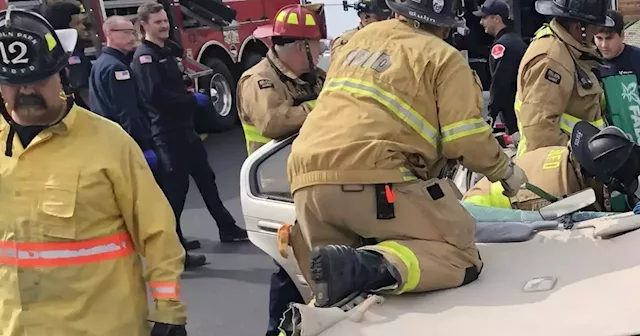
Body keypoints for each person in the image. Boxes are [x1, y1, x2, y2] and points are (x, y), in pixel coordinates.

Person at [285, 0, 528, 308]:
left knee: (342, 297)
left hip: (304, 179)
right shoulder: (443, 57)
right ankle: (368, 265)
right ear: (446, 23)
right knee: (459, 256)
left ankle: (348, 278)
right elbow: (464, 139)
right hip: (376, 177)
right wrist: (505, 172)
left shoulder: (355, 41)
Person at [0, 8, 187, 336]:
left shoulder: (109, 143)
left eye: (38, 79)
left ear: (63, 75)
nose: (26, 91)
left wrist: (168, 311)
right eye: (13, 83)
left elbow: (157, 234)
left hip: (102, 327)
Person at [132, 2, 247, 269]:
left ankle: (227, 228)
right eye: (158, 22)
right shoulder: (145, 57)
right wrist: (189, 100)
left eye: (164, 21)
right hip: (168, 134)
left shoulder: (164, 52)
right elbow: (154, 96)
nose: (164, 25)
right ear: (144, 26)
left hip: (186, 131)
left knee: (207, 180)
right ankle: (173, 248)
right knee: (176, 193)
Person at [237, 4, 326, 334]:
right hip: (278, 187)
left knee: (319, 264)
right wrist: (320, 108)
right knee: (290, 269)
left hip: (314, 180)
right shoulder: (260, 80)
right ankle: (277, 330)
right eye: (315, 44)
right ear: (300, 47)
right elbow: (273, 122)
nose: (319, 51)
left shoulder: (311, 76)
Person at [513, 0, 613, 157]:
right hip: (554, 170)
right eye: (595, 27)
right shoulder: (553, 59)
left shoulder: (569, 50)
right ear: (578, 27)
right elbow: (540, 130)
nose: (597, 32)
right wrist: (575, 165)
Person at [89, 16, 156, 169]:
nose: (132, 38)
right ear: (109, 33)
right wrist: (143, 145)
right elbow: (127, 112)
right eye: (126, 33)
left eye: (133, 33)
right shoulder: (117, 68)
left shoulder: (102, 62)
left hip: (111, 141)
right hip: (127, 144)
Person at [473, 0, 526, 135]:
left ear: (497, 19)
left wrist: (491, 114)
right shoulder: (515, 40)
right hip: (523, 113)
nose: (481, 22)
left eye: (484, 18)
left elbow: (500, 84)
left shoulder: (502, 46)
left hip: (515, 118)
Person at [594, 10, 640, 144]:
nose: (603, 45)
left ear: (622, 35)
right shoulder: (589, 63)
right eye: (599, 38)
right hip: (607, 139)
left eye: (609, 38)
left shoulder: (636, 59)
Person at [43, 1, 92, 109]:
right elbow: (83, 92)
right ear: (65, 27)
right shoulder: (71, 56)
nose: (83, 27)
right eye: (77, 23)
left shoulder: (52, 51)